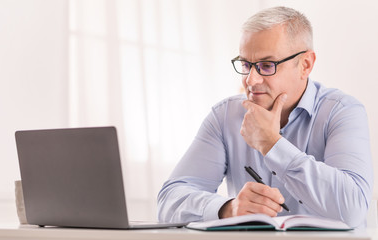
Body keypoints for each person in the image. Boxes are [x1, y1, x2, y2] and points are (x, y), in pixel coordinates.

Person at [157, 6, 373, 228]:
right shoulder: (225, 117)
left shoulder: (342, 111)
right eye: (246, 65)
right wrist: (227, 208)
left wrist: (272, 144)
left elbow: (353, 209)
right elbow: (169, 200)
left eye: (266, 66)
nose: (251, 80)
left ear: (305, 65)